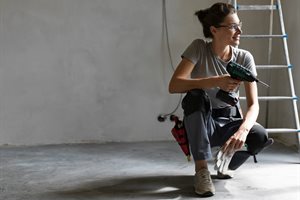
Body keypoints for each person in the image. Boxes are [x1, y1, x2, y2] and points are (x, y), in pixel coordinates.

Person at [168, 2, 273, 197]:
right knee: (195, 95)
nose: (239, 31)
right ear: (214, 30)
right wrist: (216, 81)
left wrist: (242, 130)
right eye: (233, 26)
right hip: (202, 122)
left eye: (239, 24)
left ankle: (226, 163)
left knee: (259, 135)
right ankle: (201, 171)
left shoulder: (244, 58)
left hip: (230, 122)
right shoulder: (199, 48)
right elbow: (174, 85)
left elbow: (253, 105)